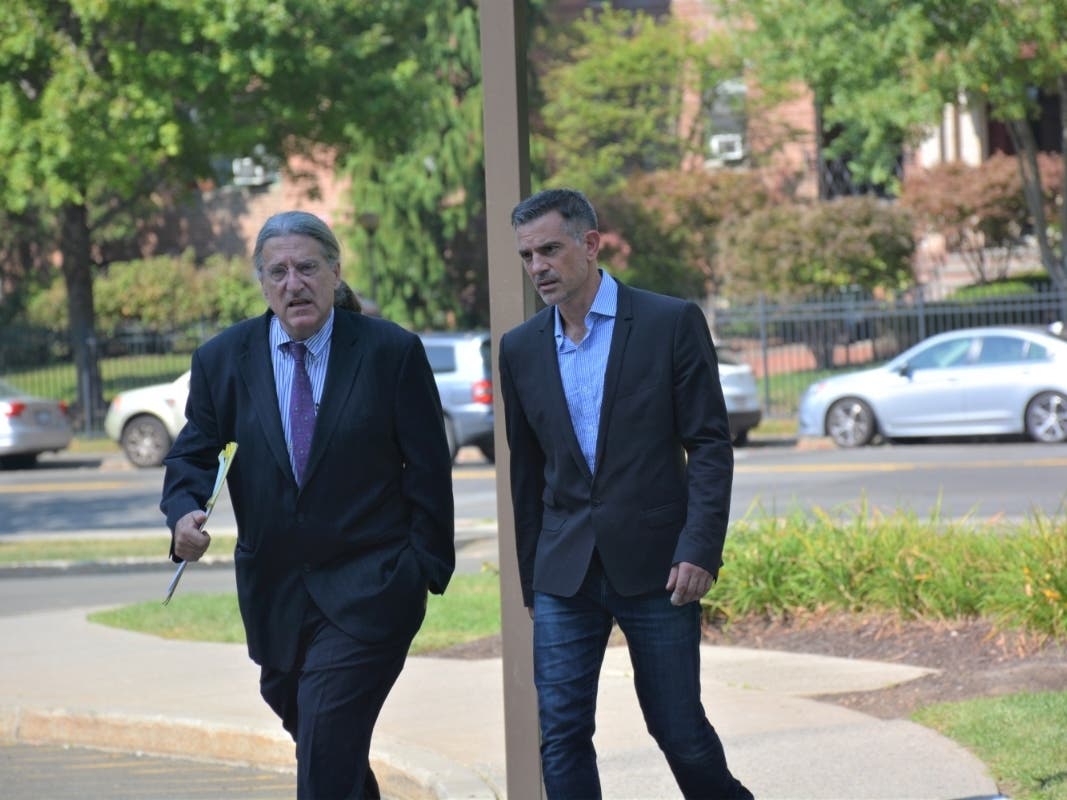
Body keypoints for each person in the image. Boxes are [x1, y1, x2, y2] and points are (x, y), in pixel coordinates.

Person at [160, 210, 455, 800]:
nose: (293, 284)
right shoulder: (224, 359)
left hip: (372, 586)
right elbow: (192, 453)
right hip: (277, 594)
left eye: (307, 267)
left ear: (334, 271)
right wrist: (184, 513)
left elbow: (427, 466)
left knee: (324, 744)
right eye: (278, 272)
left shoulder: (390, 352)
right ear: (262, 283)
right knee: (325, 744)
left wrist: (423, 567)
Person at [498, 188, 752, 799]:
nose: (538, 268)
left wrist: (700, 548)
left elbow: (710, 445)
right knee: (559, 733)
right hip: (565, 572)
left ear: (590, 245)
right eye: (527, 256)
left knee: (677, 728)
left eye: (550, 250)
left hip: (660, 565)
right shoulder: (520, 348)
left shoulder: (669, 322)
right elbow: (525, 471)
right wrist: (533, 576)